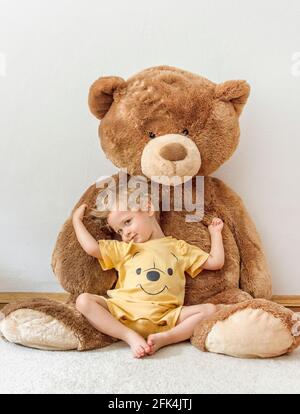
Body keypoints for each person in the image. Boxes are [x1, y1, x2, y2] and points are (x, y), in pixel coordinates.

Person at [73, 187, 224, 358]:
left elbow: (215, 262)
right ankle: (128, 336)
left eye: (128, 222)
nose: (126, 233)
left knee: (209, 310)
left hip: (166, 317)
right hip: (124, 313)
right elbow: (91, 248)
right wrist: (76, 222)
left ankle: (166, 338)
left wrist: (216, 234)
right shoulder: (126, 249)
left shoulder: (178, 248)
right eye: (119, 231)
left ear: (148, 208)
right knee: (83, 301)